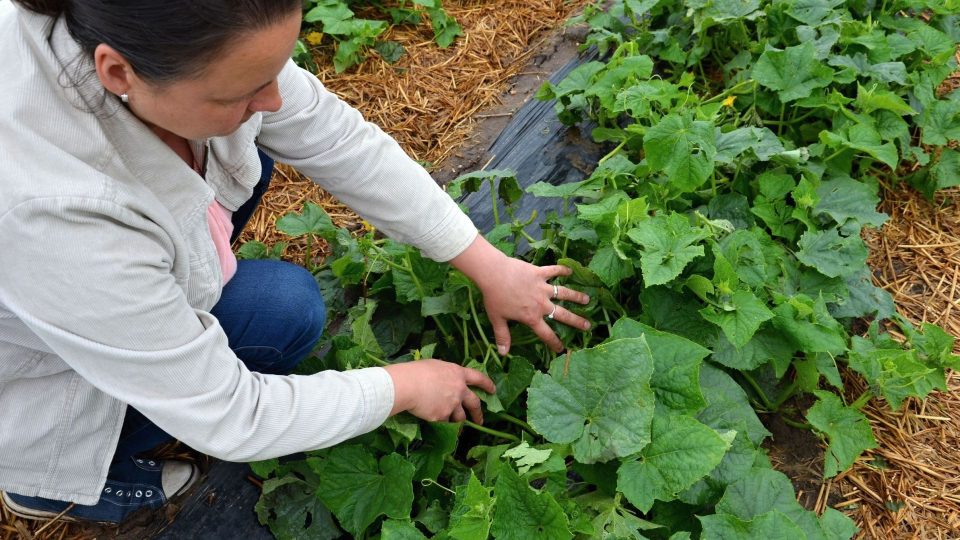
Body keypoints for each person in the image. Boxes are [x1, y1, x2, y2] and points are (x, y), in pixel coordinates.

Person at [0, 0, 592, 525]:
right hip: (25, 371)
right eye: (242, 91)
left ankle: (159, 304)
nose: (274, 99)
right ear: (118, 72)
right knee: (286, 310)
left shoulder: (153, 37)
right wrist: (400, 386)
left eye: (274, 69)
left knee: (251, 156)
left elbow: (335, 139)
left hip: (92, 278)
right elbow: (232, 417)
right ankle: (49, 485)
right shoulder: (56, 213)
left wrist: (487, 263)